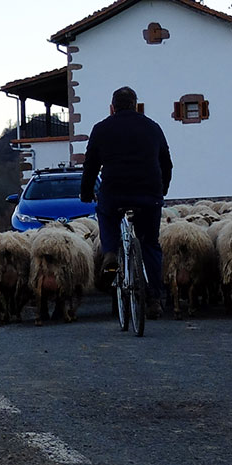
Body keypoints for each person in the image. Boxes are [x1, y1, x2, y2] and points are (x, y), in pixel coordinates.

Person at [79, 86, 172, 318]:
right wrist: (163, 189)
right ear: (136, 105)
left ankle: (110, 252)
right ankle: (154, 298)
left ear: (112, 108)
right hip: (149, 193)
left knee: (106, 214)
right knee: (150, 243)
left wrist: (86, 193)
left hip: (115, 191)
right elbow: (166, 164)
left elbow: (90, 166)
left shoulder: (101, 129)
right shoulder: (152, 127)